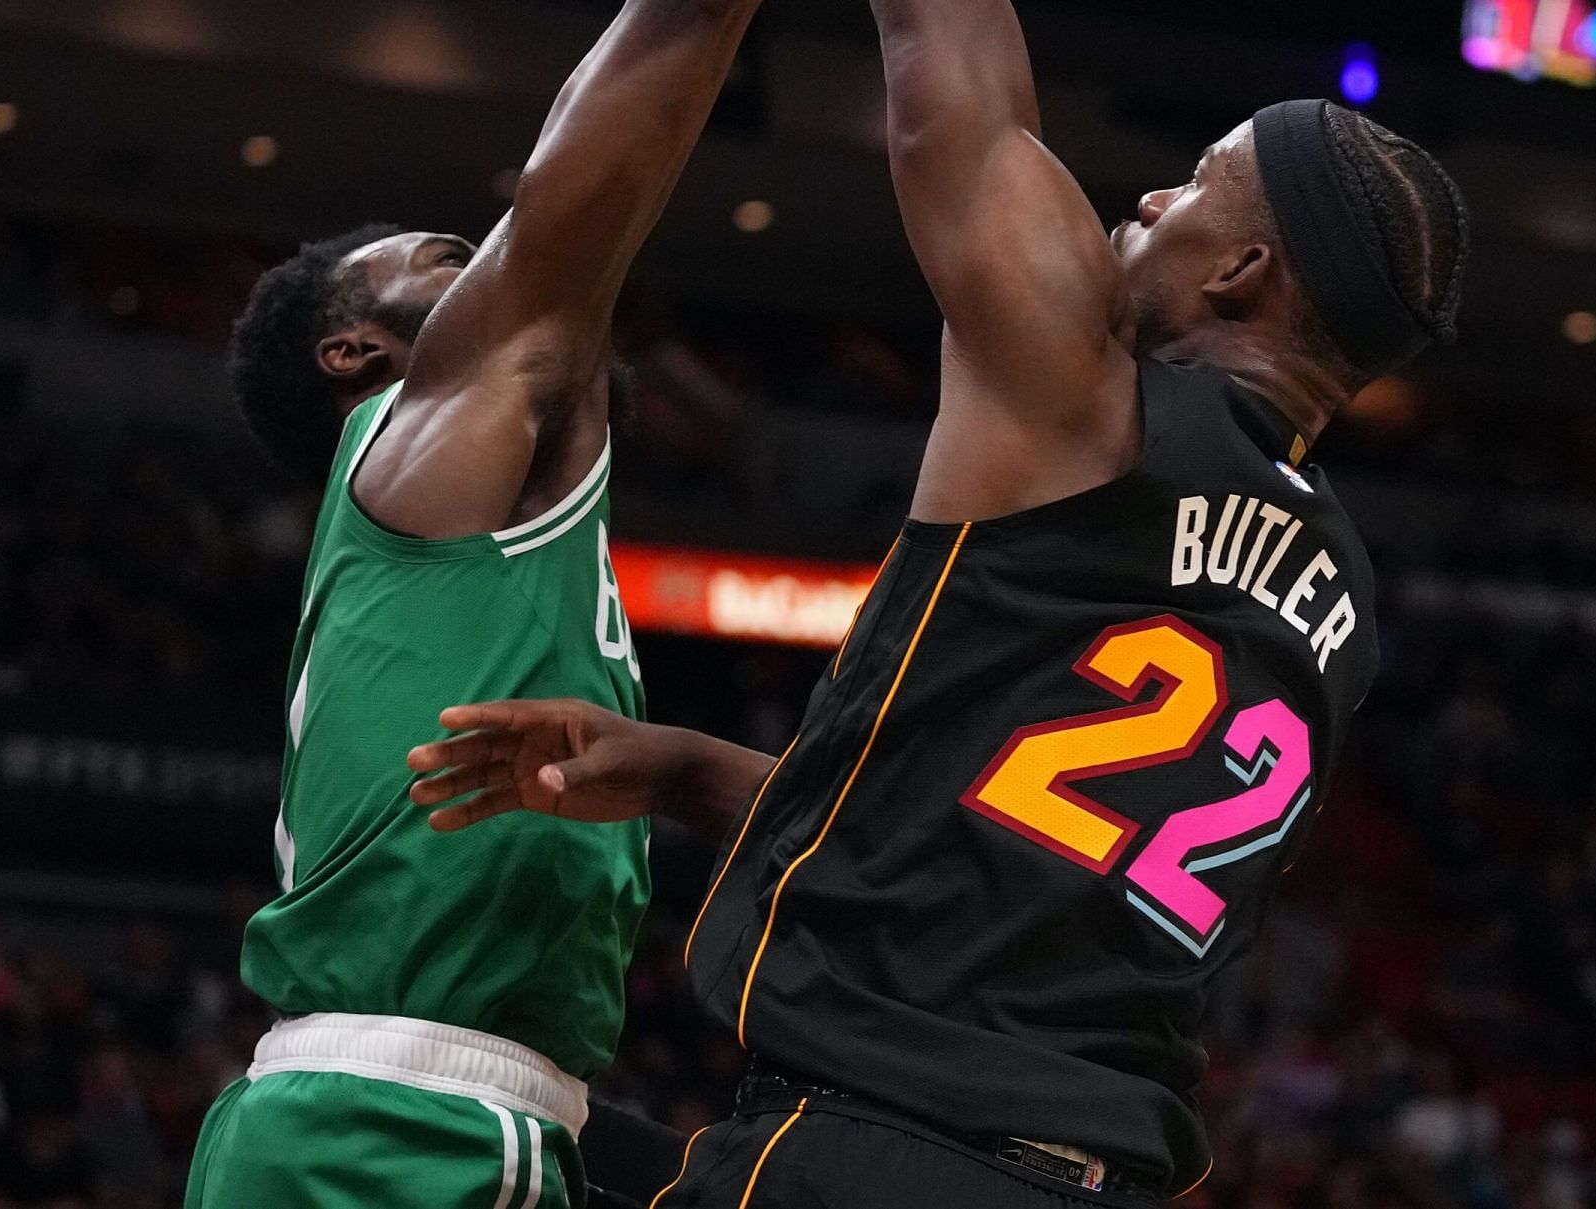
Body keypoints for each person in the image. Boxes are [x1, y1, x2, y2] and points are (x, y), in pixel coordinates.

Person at [405, 0, 1471, 1205]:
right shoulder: (1343, 598)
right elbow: (1005, 855)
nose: (1156, 202)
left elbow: (956, 107)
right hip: (1079, 1176)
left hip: (881, 1151)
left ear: (1240, 271)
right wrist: (680, 770)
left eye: (1198, 182)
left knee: (418, 1140)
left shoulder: (1084, 400)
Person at [186, 2, 766, 1206]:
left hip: (440, 1116)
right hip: (392, 1121)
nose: (478, 258)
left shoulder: (488, 530)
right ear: (355, 355)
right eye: (444, 263)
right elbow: (571, 217)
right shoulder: (412, 453)